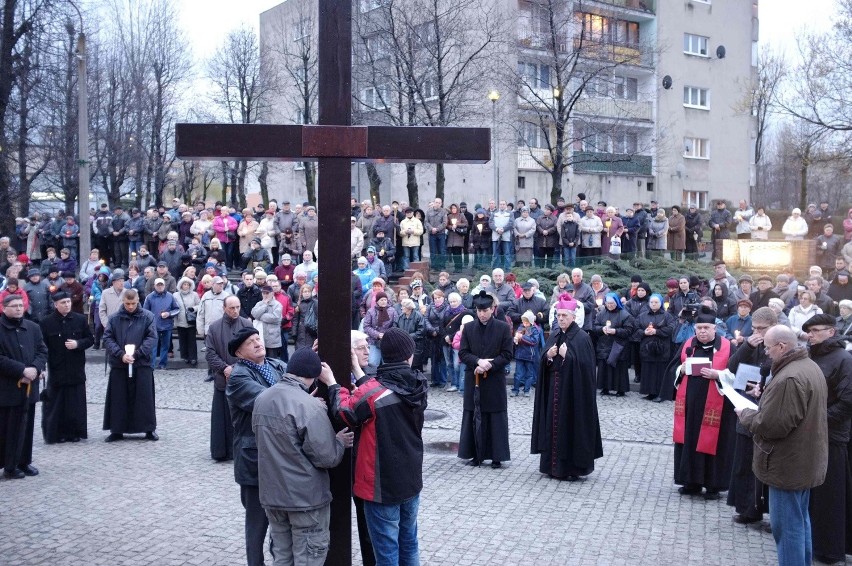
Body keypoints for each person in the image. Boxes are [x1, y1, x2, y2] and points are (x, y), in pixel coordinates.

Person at [327, 327, 428, 566]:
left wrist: (332, 384)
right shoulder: (418, 383)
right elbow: (384, 394)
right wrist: (358, 372)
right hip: (410, 480)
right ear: (408, 356)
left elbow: (345, 412)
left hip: (381, 487)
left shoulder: (371, 392)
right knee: (409, 543)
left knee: (386, 553)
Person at [253, 345, 353, 566]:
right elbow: (326, 457)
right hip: (305, 500)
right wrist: (339, 442)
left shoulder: (262, 398)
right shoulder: (310, 407)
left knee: (282, 557)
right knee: (308, 559)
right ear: (313, 375)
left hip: (273, 497)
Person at [736, 326, 828, 566]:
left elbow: (772, 425)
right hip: (803, 459)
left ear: (782, 346)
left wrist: (745, 414)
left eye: (768, 347)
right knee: (799, 521)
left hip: (788, 463)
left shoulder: (789, 377)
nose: (765, 353)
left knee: (787, 528)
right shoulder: (809, 367)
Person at [226, 326, 282, 566]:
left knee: (281, 522)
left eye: (258, 338)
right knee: (257, 524)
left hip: (281, 456)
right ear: (239, 353)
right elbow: (270, 402)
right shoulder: (239, 376)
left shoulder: (277, 365)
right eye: (250, 342)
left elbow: (299, 383)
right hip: (254, 460)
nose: (258, 343)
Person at [532, 294, 602, 480]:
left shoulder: (582, 338)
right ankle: (551, 467)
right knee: (552, 427)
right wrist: (548, 355)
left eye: (564, 315)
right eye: (558, 315)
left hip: (573, 393)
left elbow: (587, 370)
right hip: (553, 390)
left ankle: (571, 469)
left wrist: (567, 356)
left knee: (570, 427)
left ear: (573, 316)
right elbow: (544, 362)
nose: (561, 319)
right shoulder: (555, 334)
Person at [800, 314, 852, 564]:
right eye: (808, 331)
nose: (810, 335)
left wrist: (817, 419)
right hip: (808, 435)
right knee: (812, 495)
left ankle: (830, 550)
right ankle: (812, 542)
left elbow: (847, 403)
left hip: (832, 437)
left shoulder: (844, 359)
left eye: (815, 330)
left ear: (831, 332)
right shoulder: (809, 356)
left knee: (830, 497)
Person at [672, 305, 735, 500]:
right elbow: (673, 367)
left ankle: (713, 485)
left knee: (714, 443)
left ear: (714, 328)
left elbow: (738, 374)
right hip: (690, 406)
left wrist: (718, 374)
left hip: (717, 405)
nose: (702, 332)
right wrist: (680, 370)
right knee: (690, 441)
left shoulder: (727, 346)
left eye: (706, 328)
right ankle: (691, 482)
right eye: (699, 328)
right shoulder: (688, 344)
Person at [458, 290, 513, 468]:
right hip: (474, 378)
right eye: (479, 311)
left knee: (495, 417)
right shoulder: (468, 328)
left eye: (485, 310)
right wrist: (477, 362)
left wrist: (491, 364)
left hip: (494, 379)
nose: (482, 314)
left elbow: (507, 354)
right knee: (474, 414)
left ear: (492, 309)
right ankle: (475, 454)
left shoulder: (503, 327)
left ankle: (496, 456)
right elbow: (463, 352)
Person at [0, 294, 47, 479]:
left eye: (21, 305)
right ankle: (9, 465)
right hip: (8, 387)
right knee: (9, 427)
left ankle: (24, 461)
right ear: (4, 308)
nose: (19, 308)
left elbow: (42, 350)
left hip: (30, 386)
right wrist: (21, 370)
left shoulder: (33, 327)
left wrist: (35, 368)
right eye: (14, 305)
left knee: (27, 426)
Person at [102, 289, 159, 442]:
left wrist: (137, 354)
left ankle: (148, 428)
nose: (130, 307)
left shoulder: (148, 316)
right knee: (118, 398)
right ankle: (117, 429)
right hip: (120, 363)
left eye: (133, 303)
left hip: (141, 363)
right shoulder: (114, 318)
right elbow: (107, 338)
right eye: (127, 304)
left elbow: (152, 337)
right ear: (123, 302)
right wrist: (121, 354)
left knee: (144, 397)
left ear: (138, 301)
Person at [39, 291, 93, 444]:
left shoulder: (80, 320)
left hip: (76, 368)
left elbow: (90, 339)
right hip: (57, 369)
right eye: (63, 303)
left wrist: (78, 344)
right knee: (56, 404)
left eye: (68, 302)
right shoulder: (46, 323)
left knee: (75, 404)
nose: (67, 305)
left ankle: (74, 432)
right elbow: (42, 347)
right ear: (56, 304)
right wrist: (42, 367)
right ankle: (56, 433)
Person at [207, 295, 253, 462]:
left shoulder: (247, 325)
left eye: (238, 307)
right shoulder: (214, 328)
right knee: (222, 418)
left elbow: (254, 348)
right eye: (232, 308)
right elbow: (210, 354)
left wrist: (237, 368)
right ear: (224, 308)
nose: (235, 311)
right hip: (222, 379)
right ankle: (221, 451)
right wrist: (225, 368)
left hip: (244, 378)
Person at [634, 293, 676, 401]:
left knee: (660, 371)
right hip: (647, 346)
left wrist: (656, 331)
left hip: (661, 347)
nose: (653, 304)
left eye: (656, 302)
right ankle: (650, 392)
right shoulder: (642, 315)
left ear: (661, 303)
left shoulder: (667, 316)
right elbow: (636, 329)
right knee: (648, 370)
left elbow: (671, 328)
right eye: (651, 302)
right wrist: (644, 332)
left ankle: (660, 394)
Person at [143, 278, 180, 370]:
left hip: (167, 325)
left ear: (164, 285)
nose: (160, 287)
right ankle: (151, 365)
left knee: (165, 346)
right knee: (153, 346)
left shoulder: (170, 296)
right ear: (154, 286)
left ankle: (162, 364)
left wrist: (169, 314)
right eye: (158, 285)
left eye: (161, 285)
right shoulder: (149, 297)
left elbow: (177, 309)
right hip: (154, 326)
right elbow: (145, 312)